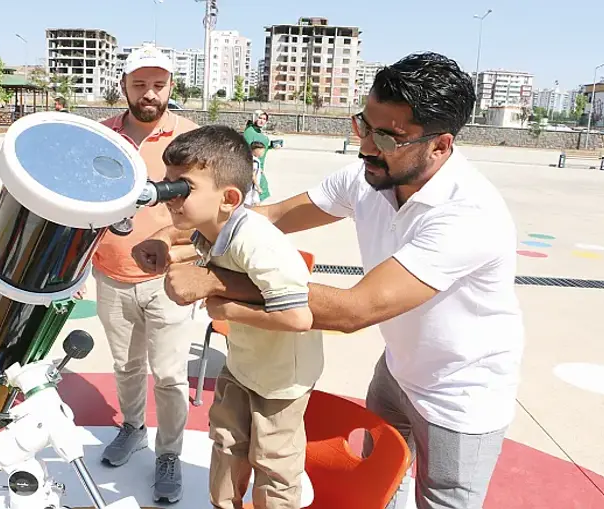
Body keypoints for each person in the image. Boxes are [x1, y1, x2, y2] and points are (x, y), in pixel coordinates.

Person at [134, 52, 524, 509]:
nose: (365, 146)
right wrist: (170, 232)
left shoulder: (467, 214)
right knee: (380, 493)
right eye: (363, 125)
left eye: (387, 136)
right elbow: (267, 217)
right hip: (396, 370)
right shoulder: (370, 176)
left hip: (461, 393)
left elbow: (353, 310)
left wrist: (214, 281)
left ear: (439, 146)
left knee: (442, 502)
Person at [160, 125, 324, 509]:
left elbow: (299, 318)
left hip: (282, 377)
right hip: (243, 362)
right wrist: (167, 251)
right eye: (167, 183)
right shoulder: (209, 229)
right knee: (226, 443)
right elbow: (203, 255)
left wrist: (223, 308)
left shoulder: (257, 240)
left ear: (228, 198)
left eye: (181, 187)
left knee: (273, 462)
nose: (169, 195)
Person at [91, 44, 198, 504]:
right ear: (124, 87)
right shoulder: (101, 136)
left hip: (169, 282)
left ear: (171, 86)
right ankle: (132, 427)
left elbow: (212, 213)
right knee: (126, 365)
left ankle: (169, 453)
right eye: (139, 84)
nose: (149, 93)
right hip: (111, 276)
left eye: (158, 84)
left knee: (171, 376)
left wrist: (178, 249)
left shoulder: (193, 139)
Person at [243, 110, 272, 202]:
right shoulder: (250, 132)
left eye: (264, 119)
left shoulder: (257, 131)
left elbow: (259, 147)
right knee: (256, 193)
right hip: (253, 166)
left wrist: (271, 146)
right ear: (255, 118)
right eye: (260, 118)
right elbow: (248, 150)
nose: (262, 121)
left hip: (259, 166)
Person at [244, 141, 266, 207]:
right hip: (252, 188)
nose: (263, 153)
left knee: (253, 203)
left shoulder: (250, 158)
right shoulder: (255, 161)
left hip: (250, 187)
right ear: (256, 150)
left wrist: (260, 170)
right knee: (254, 205)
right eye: (262, 151)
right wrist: (258, 187)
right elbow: (253, 176)